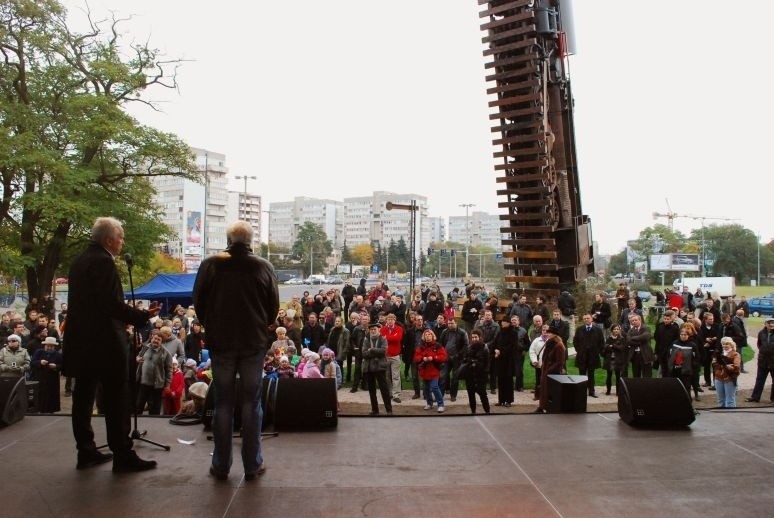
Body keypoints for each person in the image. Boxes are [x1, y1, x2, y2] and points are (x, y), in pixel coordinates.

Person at [62, 217, 161, 472]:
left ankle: (85, 451)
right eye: (121, 237)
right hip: (104, 343)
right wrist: (142, 316)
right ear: (108, 239)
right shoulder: (103, 262)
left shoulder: (79, 261)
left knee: (83, 397)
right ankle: (123, 455)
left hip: (81, 342)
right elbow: (110, 305)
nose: (122, 241)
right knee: (117, 398)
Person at [193, 220, 279, 481]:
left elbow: (199, 302)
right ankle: (253, 465)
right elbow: (273, 307)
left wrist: (213, 325)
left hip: (221, 343)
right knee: (252, 403)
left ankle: (220, 466)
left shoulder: (210, 265)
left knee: (223, 403)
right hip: (253, 342)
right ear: (251, 241)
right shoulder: (263, 266)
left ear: (228, 240)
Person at [135, 331, 173, 415]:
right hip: (143, 382)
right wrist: (137, 359)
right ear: (152, 338)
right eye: (155, 338)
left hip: (157, 385)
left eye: (158, 339)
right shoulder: (145, 348)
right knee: (138, 406)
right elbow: (138, 357)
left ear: (161, 342)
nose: (156, 341)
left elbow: (169, 370)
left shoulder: (166, 353)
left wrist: (167, 385)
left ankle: (154, 426)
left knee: (154, 409)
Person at [362, 322, 393, 416]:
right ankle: (375, 410)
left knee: (384, 390)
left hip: (380, 368)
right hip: (369, 368)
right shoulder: (366, 340)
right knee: (372, 391)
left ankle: (389, 410)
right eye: (371, 329)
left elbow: (383, 351)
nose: (373, 331)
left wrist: (371, 350)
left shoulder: (383, 339)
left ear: (378, 329)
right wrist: (375, 352)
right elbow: (364, 353)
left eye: (374, 329)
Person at [534, 325, 567, 413]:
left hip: (553, 373)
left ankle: (549, 408)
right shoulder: (549, 343)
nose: (547, 334)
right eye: (547, 332)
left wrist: (549, 370)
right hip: (546, 371)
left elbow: (559, 362)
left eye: (549, 333)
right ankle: (541, 407)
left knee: (550, 391)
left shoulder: (559, 345)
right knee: (544, 390)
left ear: (555, 335)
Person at [414, 328, 447, 412]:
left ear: (432, 336)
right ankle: (429, 403)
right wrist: (423, 358)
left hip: (434, 370)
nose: (428, 336)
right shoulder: (421, 347)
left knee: (434, 387)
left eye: (429, 334)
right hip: (424, 371)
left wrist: (433, 357)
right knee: (426, 389)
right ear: (424, 337)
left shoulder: (438, 346)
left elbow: (443, 357)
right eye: (426, 335)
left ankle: (441, 404)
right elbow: (416, 357)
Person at [573, 313, 604, 397]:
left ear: (591, 319)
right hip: (582, 356)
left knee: (591, 374)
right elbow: (575, 341)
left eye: (588, 318)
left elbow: (601, 343)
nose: (586, 320)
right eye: (585, 318)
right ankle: (582, 391)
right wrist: (579, 350)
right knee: (581, 374)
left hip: (593, 356)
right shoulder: (579, 329)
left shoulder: (598, 330)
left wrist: (597, 351)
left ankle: (591, 391)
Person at [745, 317, 774, 403]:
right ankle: (755, 397)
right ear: (765, 324)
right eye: (769, 323)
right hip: (763, 360)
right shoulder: (761, 333)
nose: (771, 324)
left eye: (772, 323)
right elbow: (759, 344)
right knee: (759, 380)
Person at [461, 329, 490, 414]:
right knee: (471, 394)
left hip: (480, 375)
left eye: (476, 337)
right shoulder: (469, 348)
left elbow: (487, 363)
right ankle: (473, 411)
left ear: (480, 337)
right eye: (472, 337)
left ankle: (487, 411)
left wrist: (484, 373)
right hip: (470, 374)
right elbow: (464, 359)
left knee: (483, 394)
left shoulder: (485, 348)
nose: (474, 339)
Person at [31, 336, 63, 413]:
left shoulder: (58, 355)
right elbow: (32, 362)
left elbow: (62, 366)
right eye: (47, 346)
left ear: (54, 347)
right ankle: (39, 409)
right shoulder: (39, 352)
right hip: (40, 377)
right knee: (40, 394)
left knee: (51, 395)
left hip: (52, 378)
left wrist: (55, 366)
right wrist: (40, 362)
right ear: (45, 345)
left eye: (51, 346)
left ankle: (51, 410)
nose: (49, 348)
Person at [668, 327, 701, 401]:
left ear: (688, 335)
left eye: (685, 335)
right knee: (675, 387)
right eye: (681, 334)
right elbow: (669, 354)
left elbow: (696, 358)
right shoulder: (674, 343)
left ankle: (688, 403)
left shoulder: (692, 345)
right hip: (675, 370)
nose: (683, 336)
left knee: (686, 388)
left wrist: (693, 366)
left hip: (686, 371)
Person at [712, 337, 741, 408]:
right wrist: (725, 366)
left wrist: (729, 367)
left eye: (727, 344)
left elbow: (736, 367)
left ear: (731, 344)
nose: (724, 345)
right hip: (718, 378)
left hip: (730, 379)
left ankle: (731, 417)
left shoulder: (735, 354)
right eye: (723, 344)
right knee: (721, 400)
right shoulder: (719, 353)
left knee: (730, 400)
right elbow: (714, 364)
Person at [653, 310, 681, 378]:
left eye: (668, 319)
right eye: (665, 319)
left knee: (670, 369)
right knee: (663, 368)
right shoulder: (660, 326)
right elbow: (657, 338)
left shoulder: (675, 327)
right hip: (661, 350)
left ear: (672, 319)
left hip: (671, 352)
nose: (666, 320)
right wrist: (656, 352)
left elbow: (677, 340)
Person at [602, 324, 626, 395]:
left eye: (617, 329)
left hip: (618, 360)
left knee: (618, 376)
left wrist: (612, 346)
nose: (616, 330)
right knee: (609, 375)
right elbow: (605, 347)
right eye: (614, 329)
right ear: (612, 330)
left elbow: (621, 348)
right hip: (609, 360)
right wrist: (612, 346)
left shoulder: (622, 338)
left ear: (619, 330)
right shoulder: (608, 338)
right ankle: (608, 390)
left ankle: (618, 391)